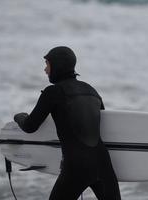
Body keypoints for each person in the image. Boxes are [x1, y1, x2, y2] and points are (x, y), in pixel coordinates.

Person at [14, 46, 121, 200]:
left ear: (56, 65)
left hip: (77, 166)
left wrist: (19, 116)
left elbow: (30, 126)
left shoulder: (53, 92)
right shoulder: (92, 91)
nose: (45, 70)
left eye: (47, 64)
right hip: (103, 163)